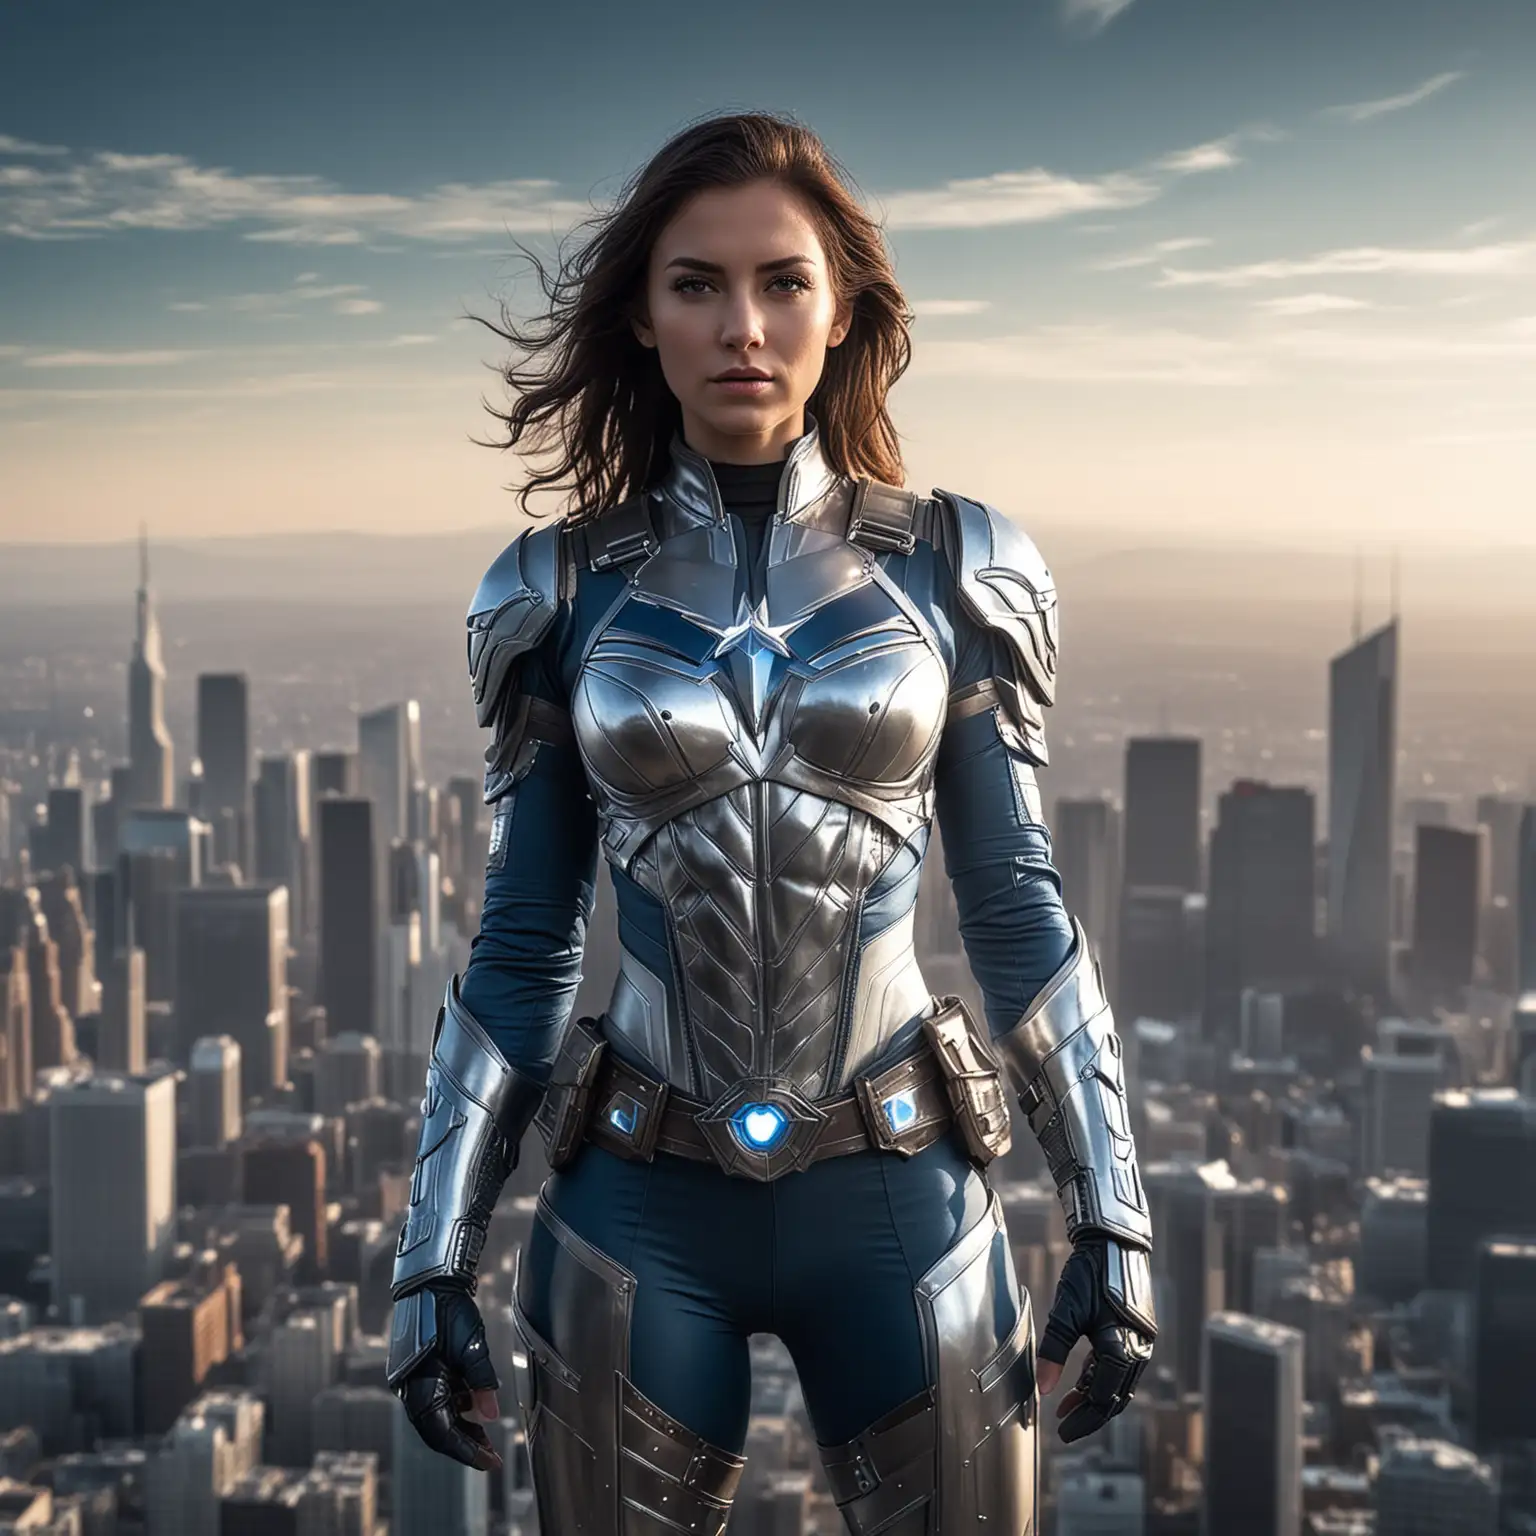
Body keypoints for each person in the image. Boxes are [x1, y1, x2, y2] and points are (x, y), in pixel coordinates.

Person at [386, 110, 1155, 1534]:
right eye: (697, 284)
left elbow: (1013, 905)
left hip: (900, 1193)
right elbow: (523, 942)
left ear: (842, 307)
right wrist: (429, 1258)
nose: (743, 325)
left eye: (782, 281)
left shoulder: (963, 567)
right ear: (642, 314)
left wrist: (1113, 1214)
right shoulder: (548, 592)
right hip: (637, 1206)